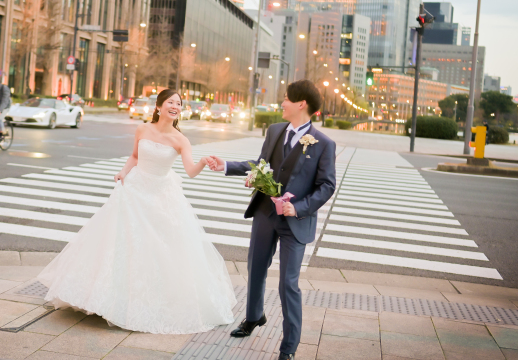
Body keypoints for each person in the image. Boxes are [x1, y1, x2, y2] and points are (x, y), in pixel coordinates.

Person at [37, 89, 237, 334]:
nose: (175, 106)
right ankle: (106, 297)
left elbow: (190, 171)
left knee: (158, 248)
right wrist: (123, 172)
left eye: (178, 104)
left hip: (162, 195)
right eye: (171, 102)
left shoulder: (180, 139)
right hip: (135, 189)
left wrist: (204, 162)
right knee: (122, 242)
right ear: (159, 106)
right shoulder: (143, 129)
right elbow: (134, 156)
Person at [206, 80, 336, 360]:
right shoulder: (275, 130)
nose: (282, 103)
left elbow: (326, 185)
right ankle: (254, 317)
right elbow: (261, 164)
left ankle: (288, 349)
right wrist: (226, 166)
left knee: (288, 283)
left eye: (287, 99)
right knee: (255, 267)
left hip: (295, 222)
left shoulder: (324, 144)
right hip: (265, 212)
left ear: (302, 104)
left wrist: (298, 208)